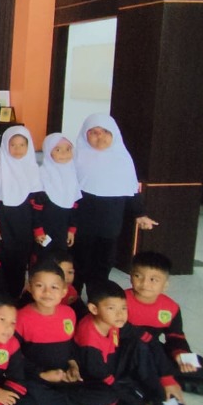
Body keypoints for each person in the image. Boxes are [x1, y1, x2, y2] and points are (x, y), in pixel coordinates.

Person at [75, 280, 203, 405]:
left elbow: (148, 339)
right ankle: (160, 397)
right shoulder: (90, 342)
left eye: (124, 308)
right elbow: (107, 381)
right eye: (112, 308)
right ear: (94, 309)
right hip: (97, 382)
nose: (120, 314)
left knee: (141, 344)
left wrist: (166, 377)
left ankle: (166, 399)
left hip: (115, 369)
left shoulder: (112, 321)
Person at [13, 258, 129, 405]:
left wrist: (73, 365)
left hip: (64, 377)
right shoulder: (20, 318)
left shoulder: (69, 314)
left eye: (54, 287)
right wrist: (41, 374)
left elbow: (70, 347)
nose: (47, 292)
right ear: (29, 287)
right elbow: (13, 356)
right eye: (40, 286)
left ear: (64, 291)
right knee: (26, 390)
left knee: (107, 394)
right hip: (36, 377)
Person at [72, 114, 158, 288]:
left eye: (105, 132)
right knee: (78, 260)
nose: (100, 136)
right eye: (93, 132)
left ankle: (98, 296)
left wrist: (140, 214)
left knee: (103, 261)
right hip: (82, 220)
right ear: (85, 135)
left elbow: (130, 189)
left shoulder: (122, 159)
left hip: (110, 220)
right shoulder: (75, 156)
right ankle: (75, 299)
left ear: (114, 134)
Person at [125, 251, 203, 398]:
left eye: (153, 279)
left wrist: (180, 354)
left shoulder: (171, 307)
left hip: (154, 351)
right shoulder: (119, 301)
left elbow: (175, 336)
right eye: (138, 276)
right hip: (126, 353)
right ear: (131, 276)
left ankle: (157, 377)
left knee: (198, 364)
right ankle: (174, 380)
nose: (145, 283)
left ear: (165, 285)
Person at [0, 126, 43, 297]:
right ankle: (2, 296)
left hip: (25, 223)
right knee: (3, 259)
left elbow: (37, 203)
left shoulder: (33, 170)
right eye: (13, 145)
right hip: (4, 222)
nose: (18, 149)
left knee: (21, 261)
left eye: (22, 145)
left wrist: (38, 229)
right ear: (5, 146)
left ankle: (16, 296)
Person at [33, 133, 80, 258]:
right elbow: (36, 207)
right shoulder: (42, 174)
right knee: (43, 258)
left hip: (63, 227)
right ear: (48, 151)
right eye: (58, 150)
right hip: (45, 228)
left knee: (61, 258)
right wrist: (38, 230)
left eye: (68, 149)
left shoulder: (72, 174)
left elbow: (74, 206)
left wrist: (72, 229)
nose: (64, 153)